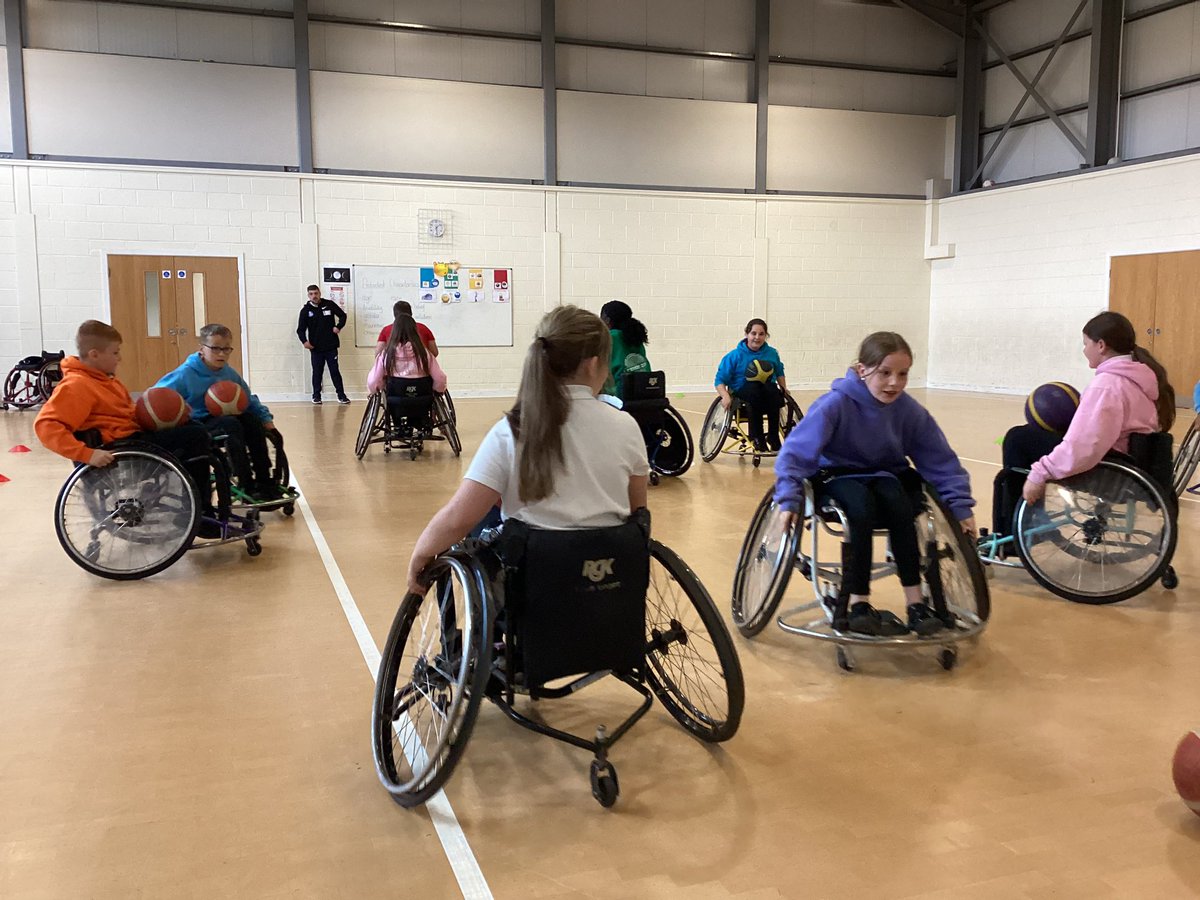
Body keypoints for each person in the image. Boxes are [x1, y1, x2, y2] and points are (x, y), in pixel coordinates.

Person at [405, 306, 649, 595]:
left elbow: (458, 517)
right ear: (594, 364)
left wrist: (421, 553)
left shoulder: (511, 431)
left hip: (536, 586)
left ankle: (493, 639)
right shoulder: (626, 426)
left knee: (484, 517)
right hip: (608, 580)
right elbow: (637, 512)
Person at [773, 332, 976, 637]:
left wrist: (959, 506)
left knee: (901, 506)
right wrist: (788, 498)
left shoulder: (908, 411)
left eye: (903, 374)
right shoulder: (835, 404)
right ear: (861, 370)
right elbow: (796, 452)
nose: (894, 382)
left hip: (884, 475)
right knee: (859, 508)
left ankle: (916, 604)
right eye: (885, 373)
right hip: (837, 475)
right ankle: (858, 604)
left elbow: (939, 459)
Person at [34, 320, 222, 538]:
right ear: (94, 355)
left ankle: (196, 506)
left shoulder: (105, 381)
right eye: (115, 352)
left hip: (134, 440)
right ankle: (199, 515)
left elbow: (126, 413)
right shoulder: (76, 385)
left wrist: (174, 414)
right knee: (195, 437)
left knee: (192, 427)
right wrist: (87, 454)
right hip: (122, 451)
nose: (119, 358)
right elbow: (46, 426)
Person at [992, 310, 1175, 534]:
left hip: (1109, 473)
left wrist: (1040, 472)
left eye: (1085, 343)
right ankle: (1032, 523)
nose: (1084, 350)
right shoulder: (1139, 378)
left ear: (1101, 345)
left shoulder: (1107, 385)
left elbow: (1084, 448)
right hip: (1130, 464)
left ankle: (1016, 532)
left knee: (1018, 439)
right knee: (1028, 436)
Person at [155, 323, 281, 502]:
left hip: (226, 417)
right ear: (201, 349)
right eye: (215, 349)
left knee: (251, 421)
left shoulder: (229, 373)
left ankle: (264, 479)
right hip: (199, 421)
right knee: (231, 425)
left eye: (226, 349)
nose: (221, 354)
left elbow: (248, 398)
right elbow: (157, 395)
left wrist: (266, 420)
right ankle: (246, 482)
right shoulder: (185, 374)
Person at [714, 318, 790, 452]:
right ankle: (758, 437)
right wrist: (725, 396)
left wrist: (784, 388)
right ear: (747, 334)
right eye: (753, 333)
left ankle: (773, 436)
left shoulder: (771, 353)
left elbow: (779, 371)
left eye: (761, 334)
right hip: (742, 391)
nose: (757, 337)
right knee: (754, 390)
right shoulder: (734, 355)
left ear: (765, 336)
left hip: (767, 391)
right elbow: (720, 380)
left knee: (773, 390)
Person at [367, 312, 449, 397]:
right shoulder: (424, 353)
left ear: (394, 331)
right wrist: (438, 390)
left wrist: (374, 391)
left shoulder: (386, 354)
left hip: (395, 397)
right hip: (422, 397)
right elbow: (440, 378)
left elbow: (373, 380)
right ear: (415, 330)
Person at [296, 284, 350, 405]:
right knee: (317, 372)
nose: (314, 296)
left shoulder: (329, 304)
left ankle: (341, 396)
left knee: (334, 371)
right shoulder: (305, 311)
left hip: (331, 346)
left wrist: (338, 326)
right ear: (308, 295)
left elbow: (343, 315)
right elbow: (300, 329)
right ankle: (316, 396)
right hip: (316, 348)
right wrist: (305, 342)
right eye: (311, 294)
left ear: (320, 293)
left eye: (316, 293)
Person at [599, 300, 650, 399]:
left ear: (607, 320)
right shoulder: (636, 338)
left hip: (619, 396)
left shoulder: (608, 338)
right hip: (645, 392)